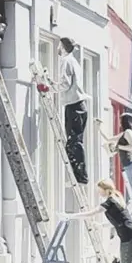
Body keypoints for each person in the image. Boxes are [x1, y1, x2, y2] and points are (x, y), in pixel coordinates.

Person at [95, 113, 132, 220]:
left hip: (131, 164)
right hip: (131, 163)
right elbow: (109, 138)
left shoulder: (128, 132)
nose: (119, 123)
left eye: (120, 120)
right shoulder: (124, 133)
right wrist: (99, 127)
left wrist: (118, 147)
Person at [51, 37, 89, 185]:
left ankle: (80, 176)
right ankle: (78, 175)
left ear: (64, 47)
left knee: (74, 143)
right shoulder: (74, 62)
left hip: (74, 106)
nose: (58, 48)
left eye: (59, 46)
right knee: (75, 142)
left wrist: (50, 87)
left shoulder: (66, 62)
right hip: (79, 105)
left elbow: (65, 84)